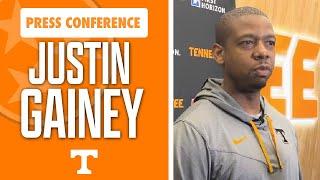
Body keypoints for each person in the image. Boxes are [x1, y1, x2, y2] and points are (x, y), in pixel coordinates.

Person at [174, 6, 302, 180]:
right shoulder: (193, 132)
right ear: (219, 53)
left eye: (270, 43)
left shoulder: (283, 125)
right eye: (248, 42)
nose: (263, 52)